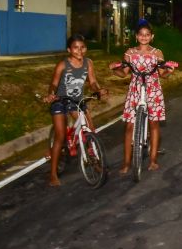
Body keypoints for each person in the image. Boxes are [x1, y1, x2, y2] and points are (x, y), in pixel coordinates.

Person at [110, 21, 173, 173]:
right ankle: (126, 163)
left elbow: (162, 74)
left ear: (152, 36)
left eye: (147, 35)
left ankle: (152, 160)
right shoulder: (129, 53)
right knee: (129, 127)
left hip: (153, 90)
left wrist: (169, 70)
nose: (144, 37)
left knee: (154, 124)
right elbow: (123, 72)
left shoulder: (157, 53)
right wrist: (113, 70)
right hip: (135, 89)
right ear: (136, 36)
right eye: (141, 34)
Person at [44, 34, 107, 186]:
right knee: (60, 136)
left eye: (82, 47)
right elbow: (54, 83)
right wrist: (51, 94)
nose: (79, 51)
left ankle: (96, 161)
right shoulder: (63, 65)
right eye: (75, 48)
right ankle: (53, 174)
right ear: (69, 49)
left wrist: (98, 90)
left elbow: (92, 82)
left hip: (76, 101)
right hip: (60, 101)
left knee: (90, 129)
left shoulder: (88, 63)